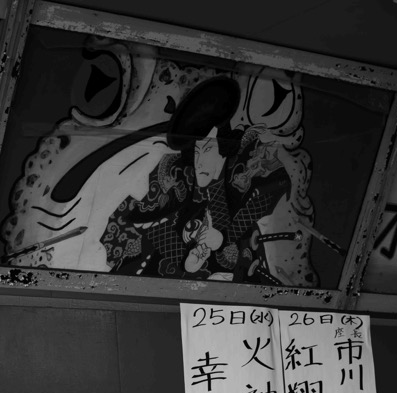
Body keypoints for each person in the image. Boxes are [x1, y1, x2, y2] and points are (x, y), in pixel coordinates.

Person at [102, 76, 292, 282]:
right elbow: (154, 226)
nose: (200, 161)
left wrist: (223, 238)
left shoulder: (242, 172)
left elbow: (273, 186)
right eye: (197, 151)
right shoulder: (180, 178)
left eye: (208, 149)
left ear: (223, 149)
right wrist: (186, 259)